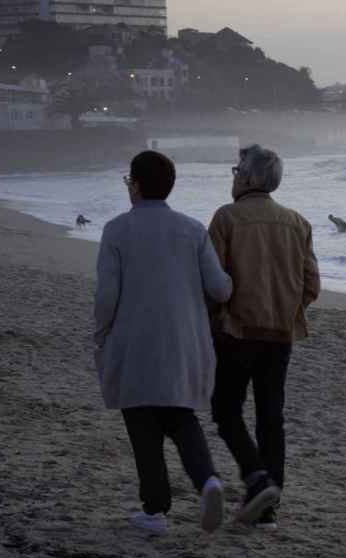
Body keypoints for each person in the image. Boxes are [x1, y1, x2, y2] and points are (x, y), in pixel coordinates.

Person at [93, 151, 233, 535]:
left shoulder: (117, 230)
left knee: (141, 421)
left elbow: (107, 296)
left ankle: (155, 511)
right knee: (180, 416)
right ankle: (208, 480)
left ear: (136, 185)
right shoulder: (192, 230)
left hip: (134, 339)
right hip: (184, 339)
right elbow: (220, 289)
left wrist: (100, 333)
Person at [208, 144, 320, 529]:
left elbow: (213, 282)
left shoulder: (226, 218)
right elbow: (311, 285)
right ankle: (268, 509)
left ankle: (257, 480)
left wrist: (216, 318)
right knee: (271, 418)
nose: (234, 176)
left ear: (248, 177)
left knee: (226, 411)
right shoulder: (298, 223)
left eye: (236, 170)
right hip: (280, 335)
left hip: (236, 331)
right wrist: (288, 311)